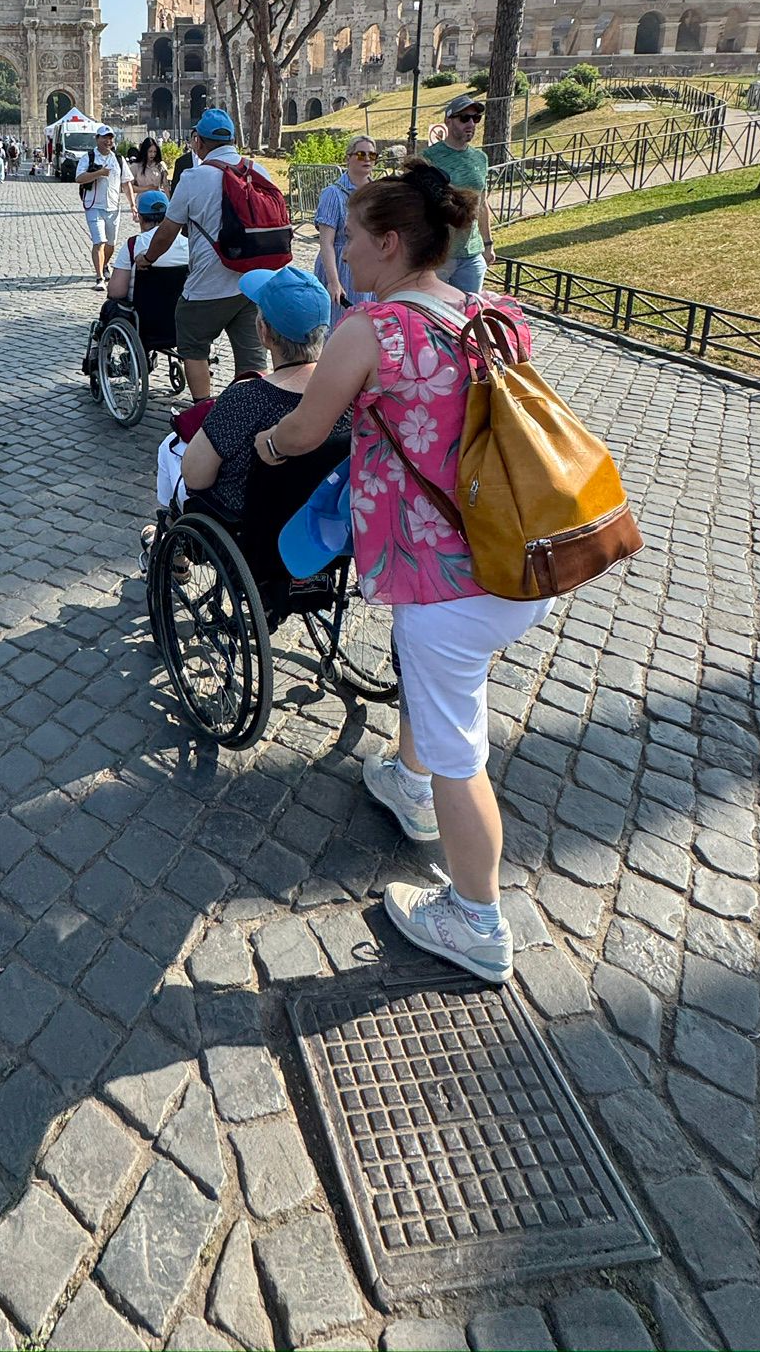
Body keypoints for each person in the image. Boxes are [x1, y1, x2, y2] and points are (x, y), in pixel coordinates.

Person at [250, 161, 554, 986]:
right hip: (512, 554)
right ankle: (408, 781)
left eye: (349, 238)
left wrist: (266, 445)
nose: (341, 252)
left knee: (464, 753)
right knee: (439, 683)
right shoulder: (494, 314)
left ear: (388, 242)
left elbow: (309, 430)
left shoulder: (371, 331)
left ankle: (476, 918)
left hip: (444, 580)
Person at [179, 266, 347, 517]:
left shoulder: (245, 398)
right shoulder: (347, 395)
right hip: (319, 528)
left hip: (243, 527)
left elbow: (194, 477)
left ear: (264, 332)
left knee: (170, 455)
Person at [138, 109, 273, 400]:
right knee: (252, 358)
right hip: (253, 283)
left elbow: (166, 233)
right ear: (233, 139)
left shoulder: (194, 177)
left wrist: (147, 259)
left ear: (198, 141)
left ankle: (202, 411)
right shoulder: (258, 170)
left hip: (207, 286)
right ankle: (250, 413)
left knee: (194, 346)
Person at [424, 94, 495, 296]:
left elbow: (482, 204)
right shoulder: (430, 157)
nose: (471, 123)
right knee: (435, 316)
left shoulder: (480, 158)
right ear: (448, 121)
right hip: (439, 254)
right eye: (464, 118)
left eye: (475, 118)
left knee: (468, 317)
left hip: (472, 254)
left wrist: (488, 244)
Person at [314, 136, 380, 323]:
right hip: (341, 267)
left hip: (370, 267)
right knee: (338, 325)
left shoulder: (378, 193)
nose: (367, 159)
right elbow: (326, 243)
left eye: (372, 155)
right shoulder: (333, 194)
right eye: (361, 154)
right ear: (348, 158)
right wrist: (334, 281)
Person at [76, 125, 134, 289]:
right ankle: (99, 278)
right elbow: (79, 178)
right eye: (104, 138)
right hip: (93, 206)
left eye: (110, 138)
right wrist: (99, 173)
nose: (108, 141)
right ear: (97, 139)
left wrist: (132, 204)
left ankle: (103, 264)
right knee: (99, 242)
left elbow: (126, 183)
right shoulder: (88, 158)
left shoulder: (119, 159)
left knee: (110, 244)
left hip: (114, 207)